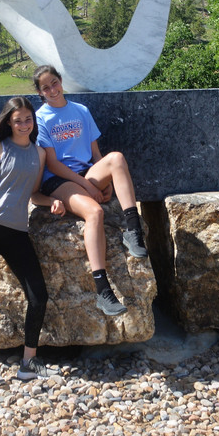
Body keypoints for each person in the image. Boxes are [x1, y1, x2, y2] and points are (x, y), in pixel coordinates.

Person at [32, 64, 148, 317]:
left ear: (61, 81)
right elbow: (52, 163)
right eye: (45, 87)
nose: (52, 89)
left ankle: (133, 231)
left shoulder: (81, 111)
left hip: (87, 173)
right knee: (95, 212)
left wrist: (104, 184)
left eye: (54, 82)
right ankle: (102, 291)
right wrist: (86, 186)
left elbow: (96, 155)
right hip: (59, 180)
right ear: (40, 93)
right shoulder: (41, 118)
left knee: (115, 158)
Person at [0, 96, 66, 387]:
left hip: (16, 231)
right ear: (9, 122)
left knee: (38, 295)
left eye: (28, 119)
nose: (24, 124)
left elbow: (33, 194)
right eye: (18, 120)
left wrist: (52, 202)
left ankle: (28, 362)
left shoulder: (38, 154)